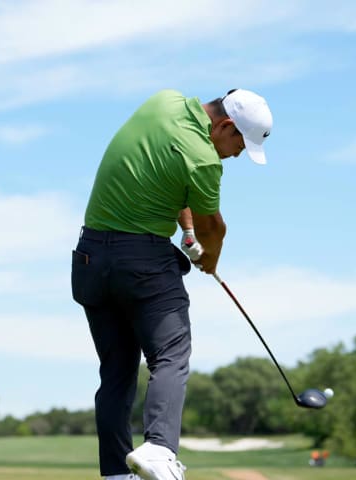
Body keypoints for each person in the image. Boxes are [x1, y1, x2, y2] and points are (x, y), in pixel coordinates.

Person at [72, 88, 273, 480]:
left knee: (116, 372)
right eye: (238, 144)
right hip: (142, 264)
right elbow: (216, 228)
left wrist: (187, 229)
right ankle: (161, 449)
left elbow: (162, 171)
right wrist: (209, 260)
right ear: (226, 125)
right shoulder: (205, 161)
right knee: (171, 354)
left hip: (90, 259)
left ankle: (116, 473)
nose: (234, 155)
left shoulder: (163, 102)